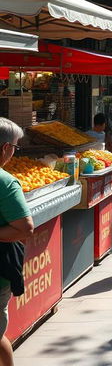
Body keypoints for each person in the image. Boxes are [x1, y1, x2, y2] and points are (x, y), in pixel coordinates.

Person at [0, 118, 34, 366]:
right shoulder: (6, 182)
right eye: (15, 147)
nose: (14, 152)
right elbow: (25, 228)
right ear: (4, 148)